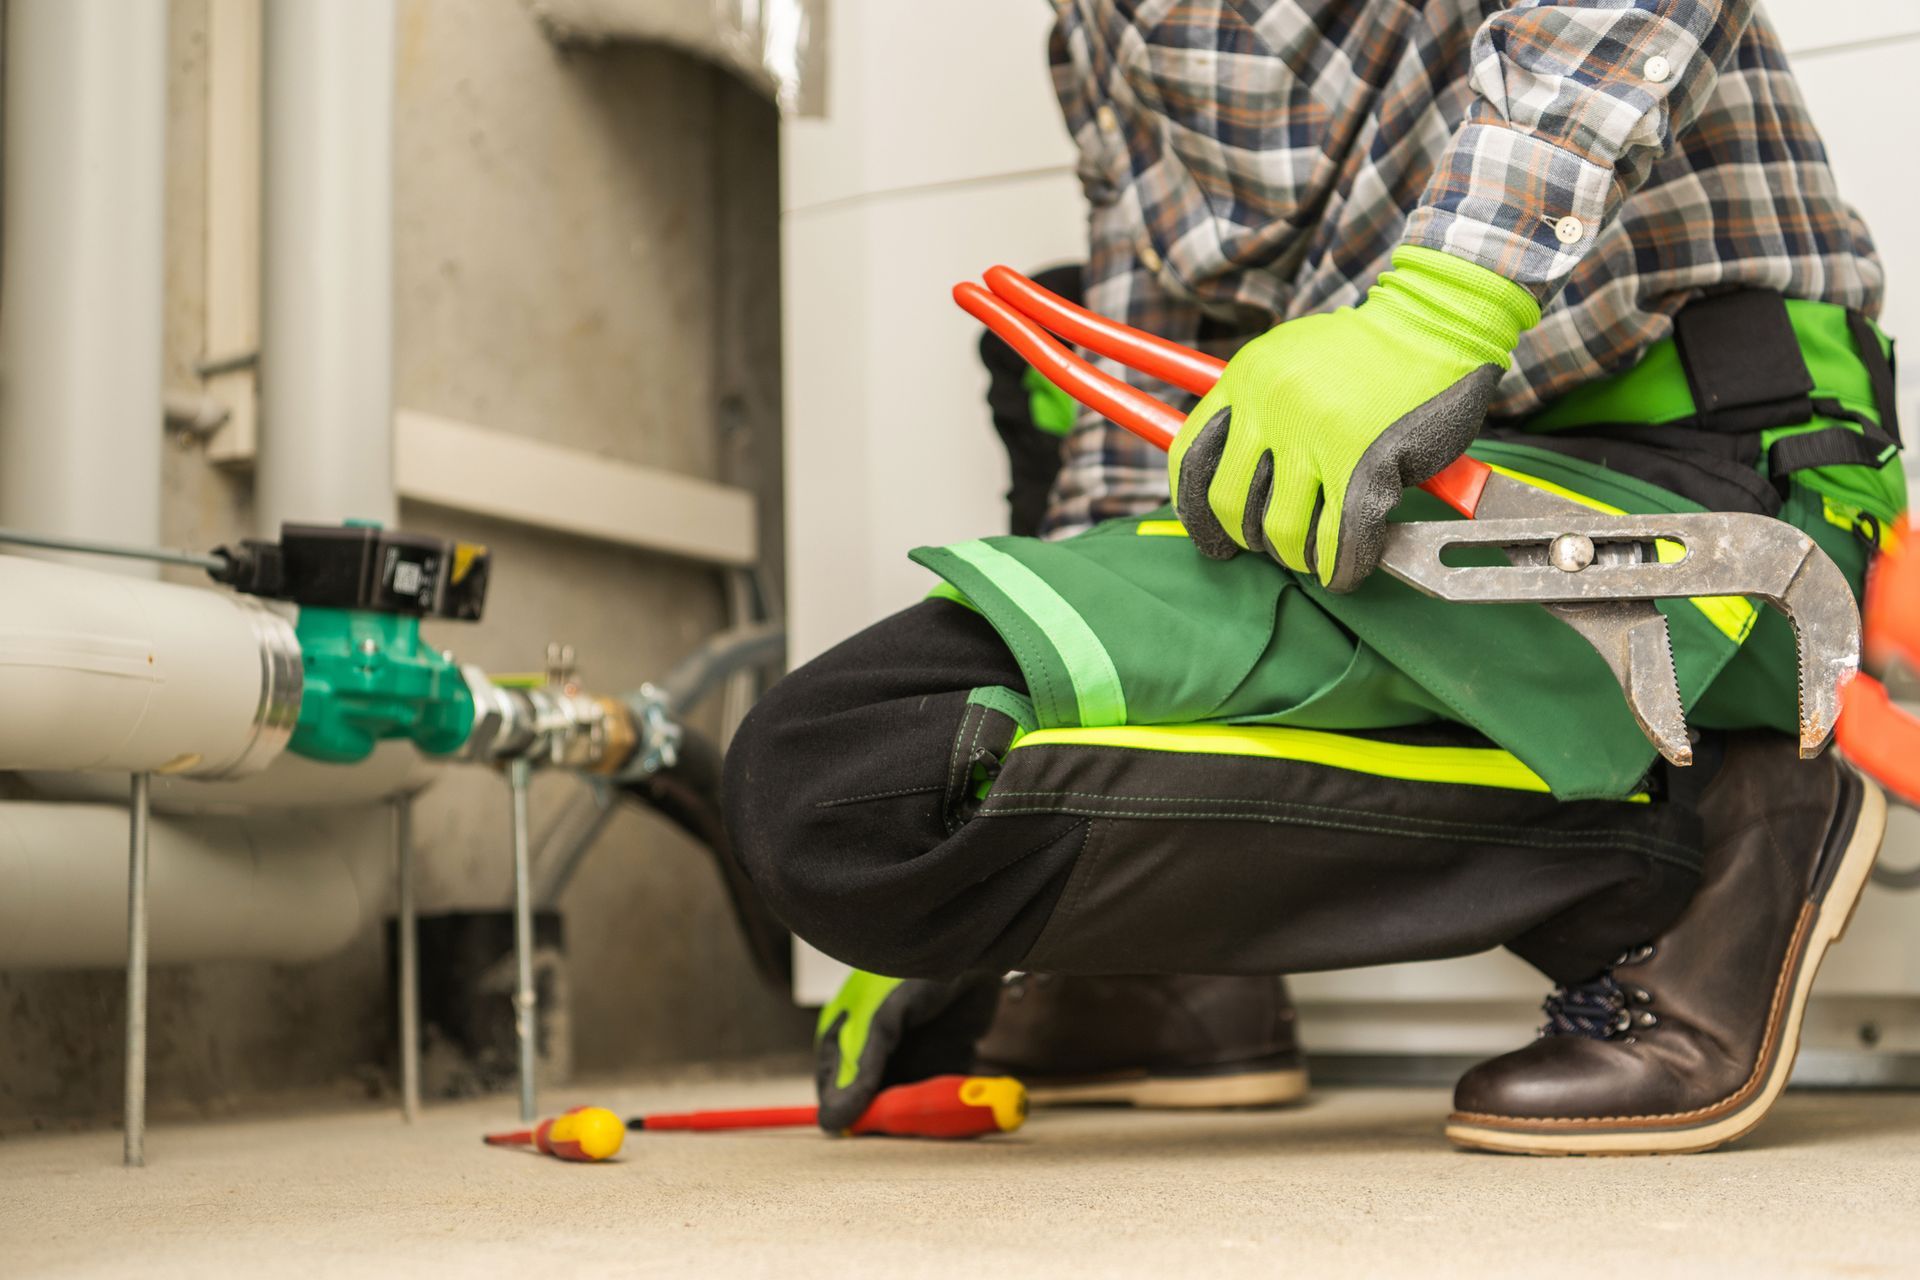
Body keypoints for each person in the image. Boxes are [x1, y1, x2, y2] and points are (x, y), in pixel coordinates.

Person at [726, 0, 1902, 1154]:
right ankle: (1175, 982)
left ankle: (1710, 841)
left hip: (1701, 455)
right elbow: (1148, 397)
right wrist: (971, 888)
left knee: (839, 778)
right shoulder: (1094, 27)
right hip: (1380, 507)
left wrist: (1443, 305)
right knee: (853, 782)